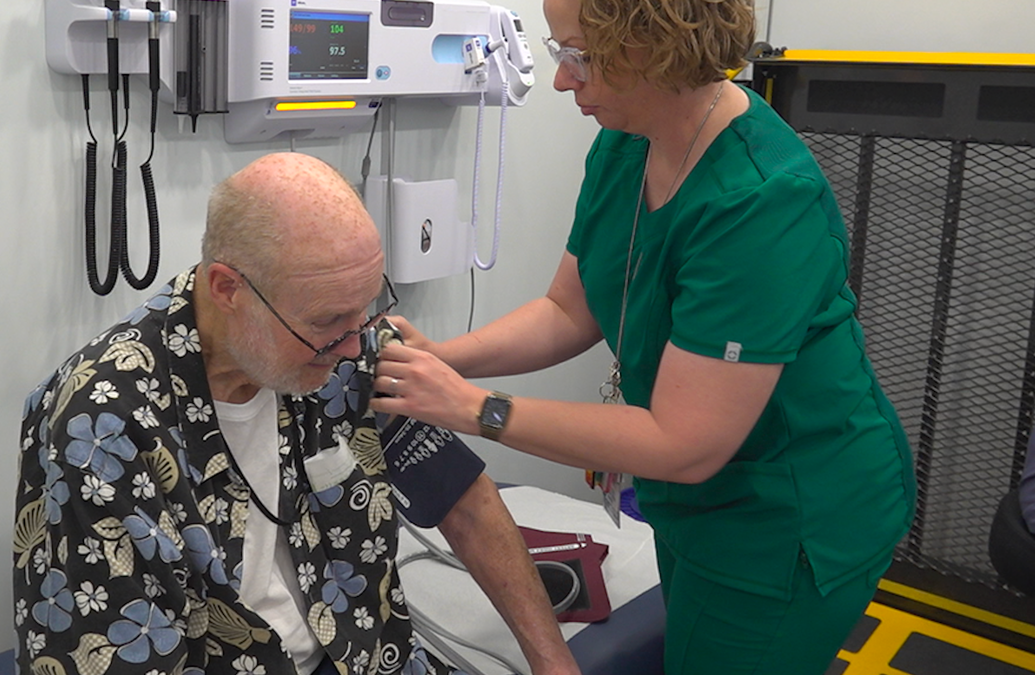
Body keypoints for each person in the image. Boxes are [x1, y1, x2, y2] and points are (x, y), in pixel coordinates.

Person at [368, 0, 917, 673]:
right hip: (695, 501)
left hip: (792, 514)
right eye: (558, 50)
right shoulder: (629, 142)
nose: (563, 80)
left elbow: (684, 443)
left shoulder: (760, 200)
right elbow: (570, 310)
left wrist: (474, 409)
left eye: (580, 56)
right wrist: (438, 358)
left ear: (651, 47)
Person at [14, 153, 580, 675]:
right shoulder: (106, 423)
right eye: (326, 322)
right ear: (227, 288)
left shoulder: (352, 349)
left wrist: (555, 665)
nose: (356, 345)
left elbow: (467, 505)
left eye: (365, 308)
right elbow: (120, 652)